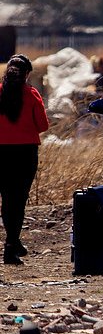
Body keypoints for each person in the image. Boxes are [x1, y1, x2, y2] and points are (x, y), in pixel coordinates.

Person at [0, 54, 49, 265]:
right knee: (17, 200)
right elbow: (43, 125)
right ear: (27, 73)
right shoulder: (31, 94)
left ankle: (14, 242)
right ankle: (11, 246)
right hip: (24, 154)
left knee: (4, 198)